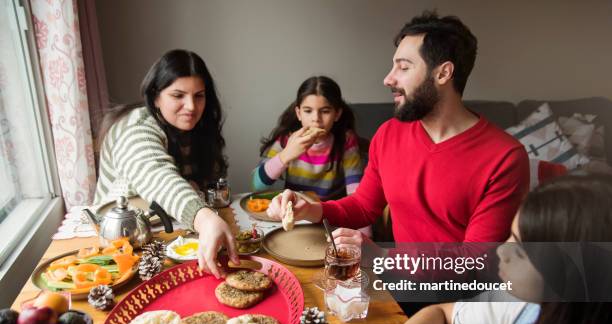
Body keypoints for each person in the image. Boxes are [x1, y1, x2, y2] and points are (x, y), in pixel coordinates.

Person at [266, 12, 529, 244]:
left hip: (458, 297)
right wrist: (311, 210)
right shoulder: (389, 133)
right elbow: (363, 206)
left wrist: (379, 258)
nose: (388, 78)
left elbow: (475, 262)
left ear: (443, 73)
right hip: (399, 283)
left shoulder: (505, 158)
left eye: (403, 67)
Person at [367, 174, 612, 324]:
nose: (500, 252)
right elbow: (442, 314)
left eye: (520, 251)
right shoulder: (519, 306)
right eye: (510, 237)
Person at [94, 49, 239, 277]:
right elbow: (157, 175)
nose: (191, 106)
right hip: (119, 246)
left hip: (169, 233)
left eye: (199, 95)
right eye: (178, 95)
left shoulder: (195, 128)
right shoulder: (135, 128)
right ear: (155, 97)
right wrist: (204, 218)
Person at [252, 76, 364, 201]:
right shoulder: (286, 140)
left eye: (325, 111)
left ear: (337, 114)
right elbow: (257, 185)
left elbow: (355, 192)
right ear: (299, 113)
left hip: (329, 214)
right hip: (294, 213)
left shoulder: (346, 140)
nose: (316, 118)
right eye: (308, 111)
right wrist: (286, 154)